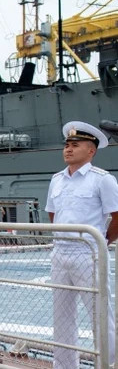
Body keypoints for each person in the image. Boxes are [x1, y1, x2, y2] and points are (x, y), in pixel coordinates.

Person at [46, 121, 118, 368]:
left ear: (91, 151)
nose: (68, 149)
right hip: (60, 253)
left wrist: (102, 242)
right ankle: (65, 365)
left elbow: (117, 216)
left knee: (100, 314)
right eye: (67, 144)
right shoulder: (56, 180)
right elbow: (53, 214)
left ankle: (106, 365)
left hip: (89, 255)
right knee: (62, 316)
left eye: (75, 145)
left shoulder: (102, 180)